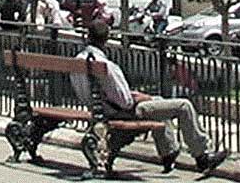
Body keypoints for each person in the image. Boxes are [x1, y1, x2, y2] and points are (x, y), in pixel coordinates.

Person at [79, 18, 226, 173]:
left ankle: (169, 152)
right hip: (121, 112)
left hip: (99, 109)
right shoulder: (107, 66)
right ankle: (202, 156)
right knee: (184, 105)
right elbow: (126, 102)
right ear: (106, 39)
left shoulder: (79, 60)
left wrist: (136, 96)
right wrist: (140, 97)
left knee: (159, 102)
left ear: (89, 36)